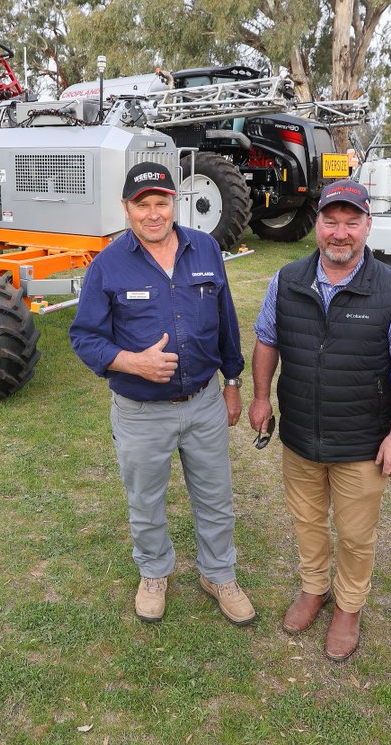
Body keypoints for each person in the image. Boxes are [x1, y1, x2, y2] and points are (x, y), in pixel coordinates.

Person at [248, 179, 391, 660]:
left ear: (368, 226)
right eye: (331, 221)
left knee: (354, 534)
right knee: (306, 521)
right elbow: (267, 340)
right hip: (299, 436)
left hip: (361, 443)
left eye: (352, 222)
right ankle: (315, 589)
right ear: (318, 225)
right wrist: (261, 398)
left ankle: (348, 606)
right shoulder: (286, 280)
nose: (340, 233)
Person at [69, 161, 254, 626]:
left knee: (215, 497)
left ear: (175, 201)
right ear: (127, 208)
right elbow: (84, 337)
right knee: (145, 501)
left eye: (162, 203)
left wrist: (232, 382)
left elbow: (227, 322)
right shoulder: (107, 264)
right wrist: (133, 362)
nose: (153, 214)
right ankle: (154, 573)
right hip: (140, 412)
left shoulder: (207, 249)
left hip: (204, 403)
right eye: (142, 205)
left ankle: (219, 574)